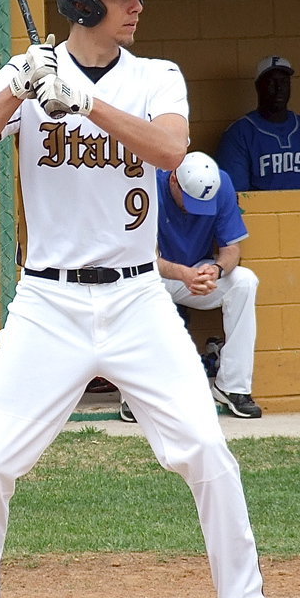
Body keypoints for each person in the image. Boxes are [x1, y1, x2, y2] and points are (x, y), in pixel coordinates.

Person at [0, 0, 278, 598]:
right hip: (46, 303)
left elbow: (169, 150)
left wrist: (86, 101)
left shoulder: (156, 76)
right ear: (83, 5)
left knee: (207, 449)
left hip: (137, 298)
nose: (137, 5)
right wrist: (18, 88)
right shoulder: (29, 73)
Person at [118, 152, 261, 421]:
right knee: (131, 281)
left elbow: (232, 249)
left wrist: (216, 270)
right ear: (174, 180)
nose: (195, 208)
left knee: (244, 281)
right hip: (152, 275)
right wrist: (184, 274)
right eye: (190, 200)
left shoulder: (220, 184)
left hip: (195, 272)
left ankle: (233, 387)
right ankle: (136, 394)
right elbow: (139, 257)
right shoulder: (147, 184)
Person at [216, 56, 300, 191]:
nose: (279, 88)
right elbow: (236, 194)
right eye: (271, 82)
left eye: (284, 82)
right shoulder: (240, 133)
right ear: (258, 87)